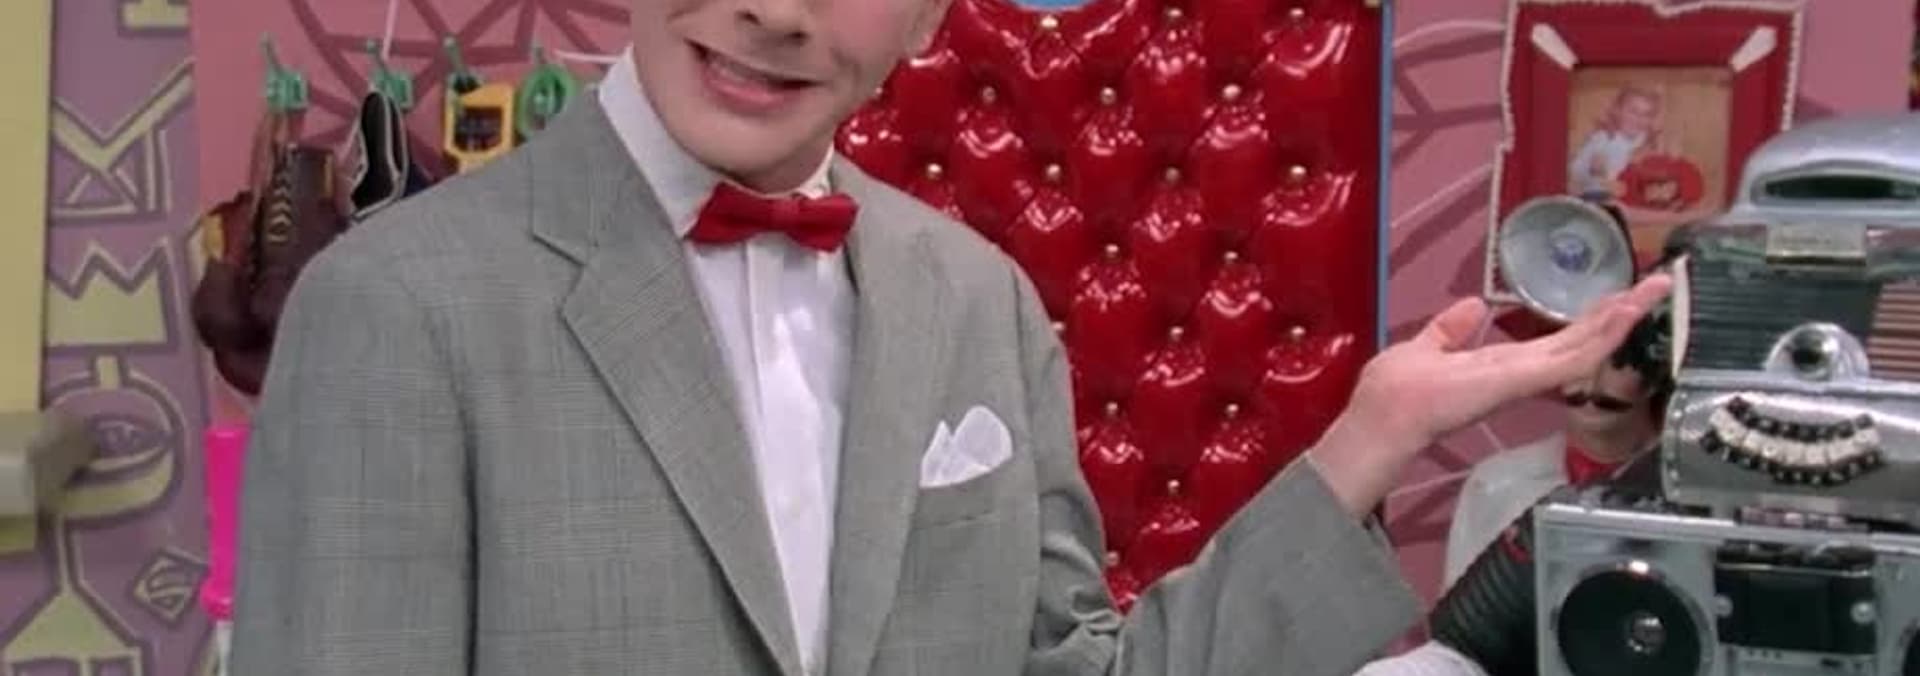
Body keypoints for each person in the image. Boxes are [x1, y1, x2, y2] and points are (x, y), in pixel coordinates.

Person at [226, 0, 1671, 673]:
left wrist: (1370, 439)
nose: (775, 10)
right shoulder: (395, 305)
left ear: (928, 17)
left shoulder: (973, 298)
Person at [1441, 299, 1671, 586]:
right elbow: (1461, 608)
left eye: (1617, 360)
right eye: (1575, 355)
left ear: (1657, 371)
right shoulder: (1496, 485)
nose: (1591, 381)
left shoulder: (1694, 490)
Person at [1568, 84, 1664, 200]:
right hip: (1597, 193)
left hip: (1632, 197)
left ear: (1652, 119)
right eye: (1633, 111)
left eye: (1646, 114)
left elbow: (1653, 176)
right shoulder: (1603, 139)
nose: (1638, 118)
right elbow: (1575, 170)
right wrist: (1591, 168)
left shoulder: (1648, 143)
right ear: (1617, 111)